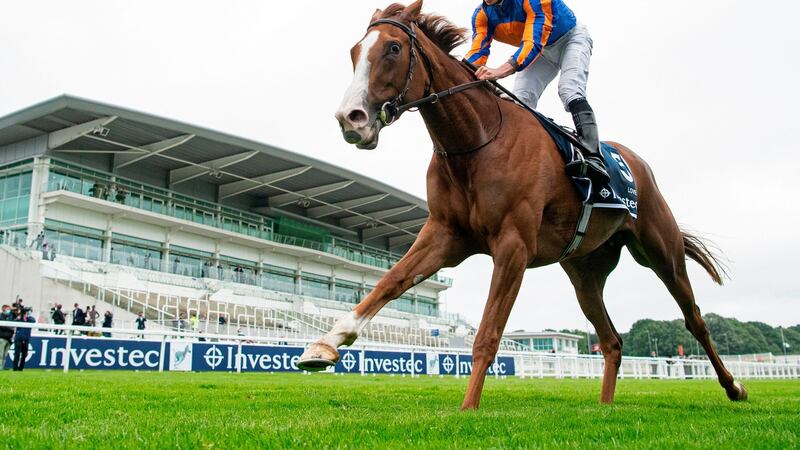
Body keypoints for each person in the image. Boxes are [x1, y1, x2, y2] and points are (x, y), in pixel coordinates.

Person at [465, 0, 609, 181]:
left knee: (570, 90)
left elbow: (533, 42)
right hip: (542, 52)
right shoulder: (481, 15)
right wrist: (458, 72)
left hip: (571, 39)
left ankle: (594, 156)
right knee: (519, 101)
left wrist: (499, 71)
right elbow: (477, 52)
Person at [0, 305, 14, 370]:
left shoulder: (9, 317)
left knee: (5, 355)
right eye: (8, 309)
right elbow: (3, 326)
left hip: (8, 339)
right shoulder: (0, 316)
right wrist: (10, 328)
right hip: (2, 338)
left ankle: (2, 367)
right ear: (4, 309)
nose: (9, 311)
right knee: (1, 354)